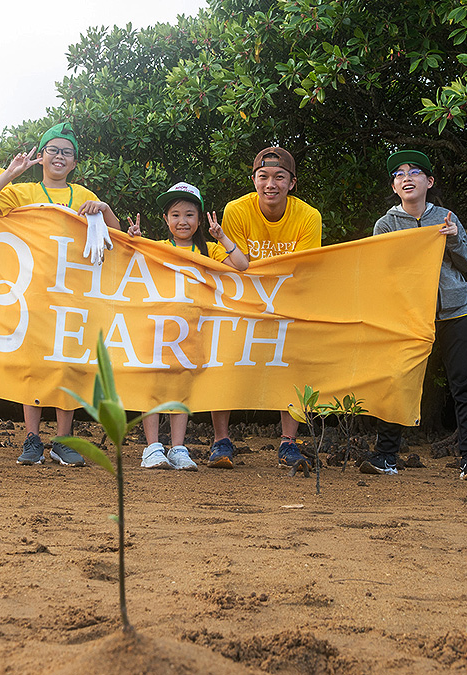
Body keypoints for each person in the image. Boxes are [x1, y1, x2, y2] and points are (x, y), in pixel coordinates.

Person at [0, 122, 119, 466]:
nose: (59, 157)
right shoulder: (23, 192)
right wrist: (11, 172)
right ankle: (32, 439)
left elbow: (119, 239)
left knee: (67, 366)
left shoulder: (84, 195)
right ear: (40, 156)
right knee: (33, 367)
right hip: (32, 293)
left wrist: (105, 209)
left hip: (74, 295)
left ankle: (63, 441)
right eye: (52, 150)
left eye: (67, 152)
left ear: (74, 163)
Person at [361, 149, 467, 482]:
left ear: (429, 182)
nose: (406, 178)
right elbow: (381, 272)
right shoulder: (386, 224)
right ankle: (385, 456)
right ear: (394, 186)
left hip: (457, 310)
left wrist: (455, 240)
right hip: (409, 316)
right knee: (398, 383)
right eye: (399, 174)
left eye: (415, 172)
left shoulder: (446, 217)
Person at [207, 147, 322, 471]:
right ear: (254, 180)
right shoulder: (237, 210)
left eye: (279, 177)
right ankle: (221, 442)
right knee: (224, 362)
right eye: (264, 177)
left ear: (292, 183)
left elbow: (302, 269)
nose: (271, 184)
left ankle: (289, 443)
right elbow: (236, 264)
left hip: (288, 301)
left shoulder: (308, 216)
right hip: (241, 300)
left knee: (292, 367)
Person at [126, 181, 249, 470]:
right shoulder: (156, 248)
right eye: (176, 214)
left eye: (190, 215)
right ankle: (152, 448)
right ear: (166, 219)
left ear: (200, 218)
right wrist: (134, 241)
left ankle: (178, 448)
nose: (183, 221)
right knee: (153, 387)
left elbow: (241, 264)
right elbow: (128, 267)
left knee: (182, 387)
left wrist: (222, 237)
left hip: (193, 331)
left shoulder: (208, 251)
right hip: (156, 329)